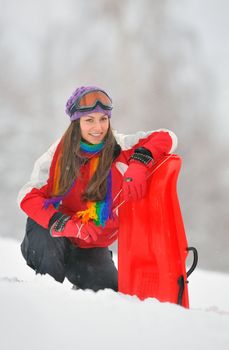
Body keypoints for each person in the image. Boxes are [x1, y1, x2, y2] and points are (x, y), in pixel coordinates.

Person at [18, 85, 177, 292]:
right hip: (56, 236)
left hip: (90, 246)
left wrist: (139, 162)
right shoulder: (58, 154)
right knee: (44, 236)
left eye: (103, 119)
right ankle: (47, 296)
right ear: (77, 123)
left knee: (109, 292)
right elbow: (28, 196)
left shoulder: (120, 147)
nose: (98, 127)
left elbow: (167, 137)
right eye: (89, 120)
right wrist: (68, 224)